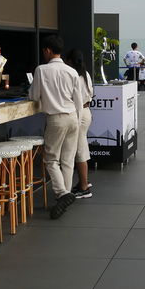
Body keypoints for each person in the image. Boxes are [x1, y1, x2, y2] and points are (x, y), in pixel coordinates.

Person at [30, 34, 83, 219]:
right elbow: (79, 101)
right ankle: (65, 197)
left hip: (56, 119)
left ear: (47, 50)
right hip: (73, 117)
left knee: (51, 159)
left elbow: (34, 96)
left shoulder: (41, 70)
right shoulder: (72, 71)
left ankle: (62, 194)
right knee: (68, 160)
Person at [64, 49, 94, 199]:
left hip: (79, 113)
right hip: (86, 112)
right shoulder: (85, 73)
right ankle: (84, 182)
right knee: (81, 148)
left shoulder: (73, 75)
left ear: (69, 61)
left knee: (80, 150)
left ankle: (84, 187)